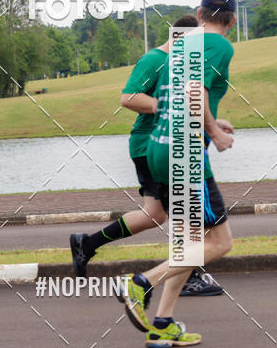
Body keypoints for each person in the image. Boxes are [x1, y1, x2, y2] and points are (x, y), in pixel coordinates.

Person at [69, 15, 222, 297]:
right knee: (183, 211)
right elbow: (128, 97)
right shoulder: (155, 60)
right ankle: (187, 278)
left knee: (154, 214)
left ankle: (86, 244)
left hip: (162, 146)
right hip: (151, 146)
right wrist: (166, 107)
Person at [121, 0, 237, 347]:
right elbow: (193, 91)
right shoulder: (219, 45)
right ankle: (142, 283)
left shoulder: (182, 44)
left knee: (189, 243)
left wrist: (214, 120)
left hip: (159, 149)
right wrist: (214, 132)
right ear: (232, 21)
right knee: (220, 242)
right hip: (184, 155)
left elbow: (174, 96)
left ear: (199, 13)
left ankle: (162, 324)